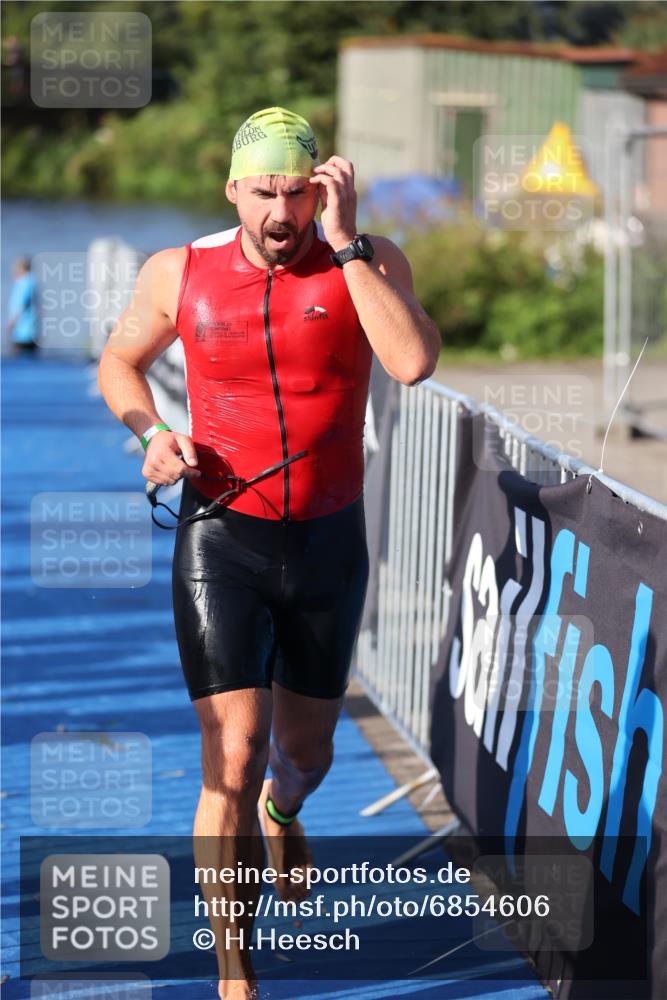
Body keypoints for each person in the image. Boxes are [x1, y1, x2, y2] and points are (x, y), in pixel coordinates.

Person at [97, 106, 441, 999]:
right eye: (262, 194)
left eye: (295, 192)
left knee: (303, 756)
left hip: (328, 541)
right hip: (221, 535)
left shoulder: (367, 259)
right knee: (231, 755)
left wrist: (349, 242)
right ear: (231, 191)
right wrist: (150, 436)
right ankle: (233, 962)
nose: (279, 213)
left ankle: (285, 811)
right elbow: (120, 363)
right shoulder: (182, 272)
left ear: (319, 188)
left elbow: (410, 363)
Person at [7, 257, 39, 353]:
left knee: (18, 361)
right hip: (33, 330)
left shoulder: (24, 283)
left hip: (22, 332)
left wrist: (11, 323)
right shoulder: (33, 281)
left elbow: (21, 305)